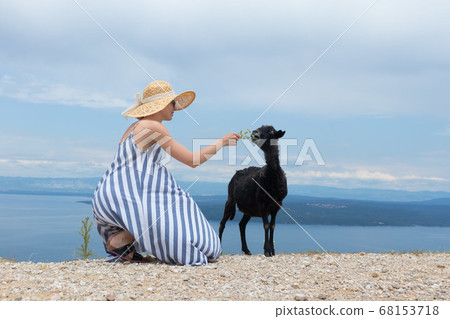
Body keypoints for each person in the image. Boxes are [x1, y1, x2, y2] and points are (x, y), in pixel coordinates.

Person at [91, 80, 240, 265]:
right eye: (172, 102)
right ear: (160, 104)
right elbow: (192, 160)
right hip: (127, 195)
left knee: (171, 205)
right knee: (209, 247)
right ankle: (123, 241)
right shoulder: (154, 127)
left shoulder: (133, 128)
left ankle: (121, 241)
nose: (175, 107)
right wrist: (222, 142)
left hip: (109, 194)